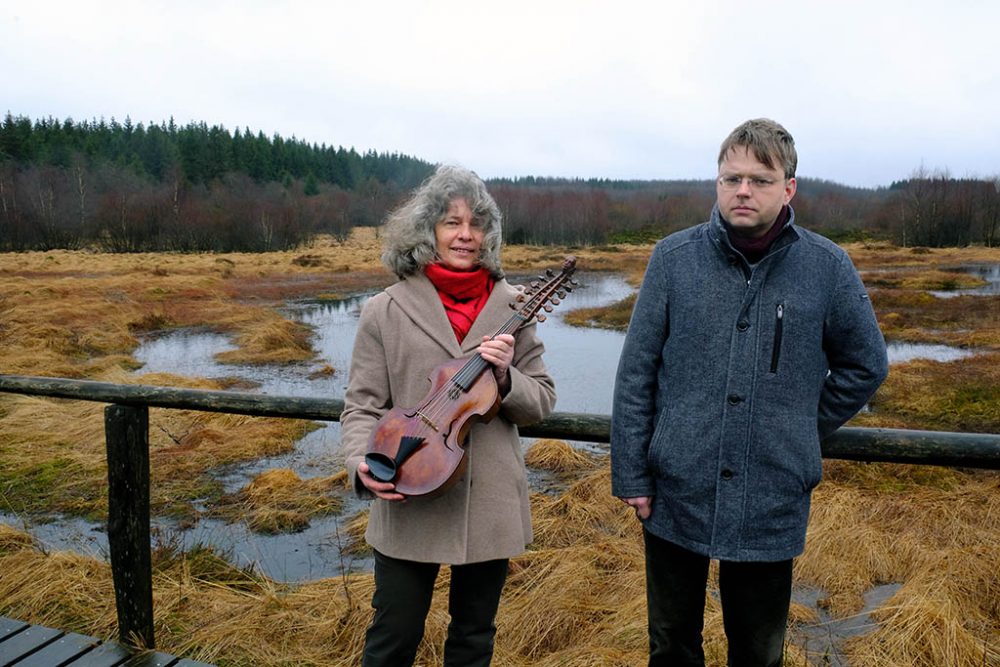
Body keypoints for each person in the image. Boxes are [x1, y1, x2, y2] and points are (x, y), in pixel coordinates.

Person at [611, 118, 888, 666]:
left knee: (759, 652)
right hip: (676, 490)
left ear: (788, 188)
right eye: (731, 177)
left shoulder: (826, 267)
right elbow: (636, 374)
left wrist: (798, 426)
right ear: (716, 182)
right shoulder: (673, 259)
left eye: (760, 179)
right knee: (671, 646)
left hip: (772, 493)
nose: (742, 190)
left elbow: (866, 364)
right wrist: (632, 475)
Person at [341, 164, 556, 667]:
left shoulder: (516, 307)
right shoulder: (385, 309)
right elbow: (363, 403)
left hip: (489, 500)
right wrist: (359, 463)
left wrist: (505, 379)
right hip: (408, 486)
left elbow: (542, 400)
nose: (465, 235)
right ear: (428, 231)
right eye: (451, 222)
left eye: (476, 224)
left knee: (473, 641)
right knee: (392, 637)